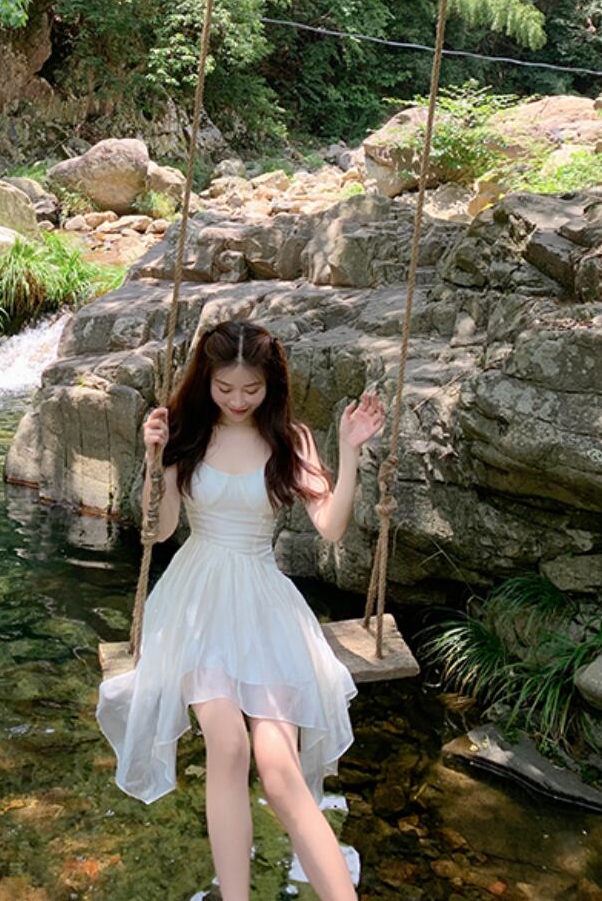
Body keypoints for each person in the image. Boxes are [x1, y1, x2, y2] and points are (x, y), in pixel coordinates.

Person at [96, 319, 385, 901]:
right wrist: (154, 460)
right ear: (206, 381)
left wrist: (350, 452)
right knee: (227, 744)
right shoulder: (186, 434)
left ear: (270, 385)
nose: (236, 400)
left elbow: (331, 527)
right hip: (196, 603)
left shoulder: (290, 440)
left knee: (278, 769)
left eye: (250, 389)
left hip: (263, 605)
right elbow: (163, 529)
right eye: (224, 388)